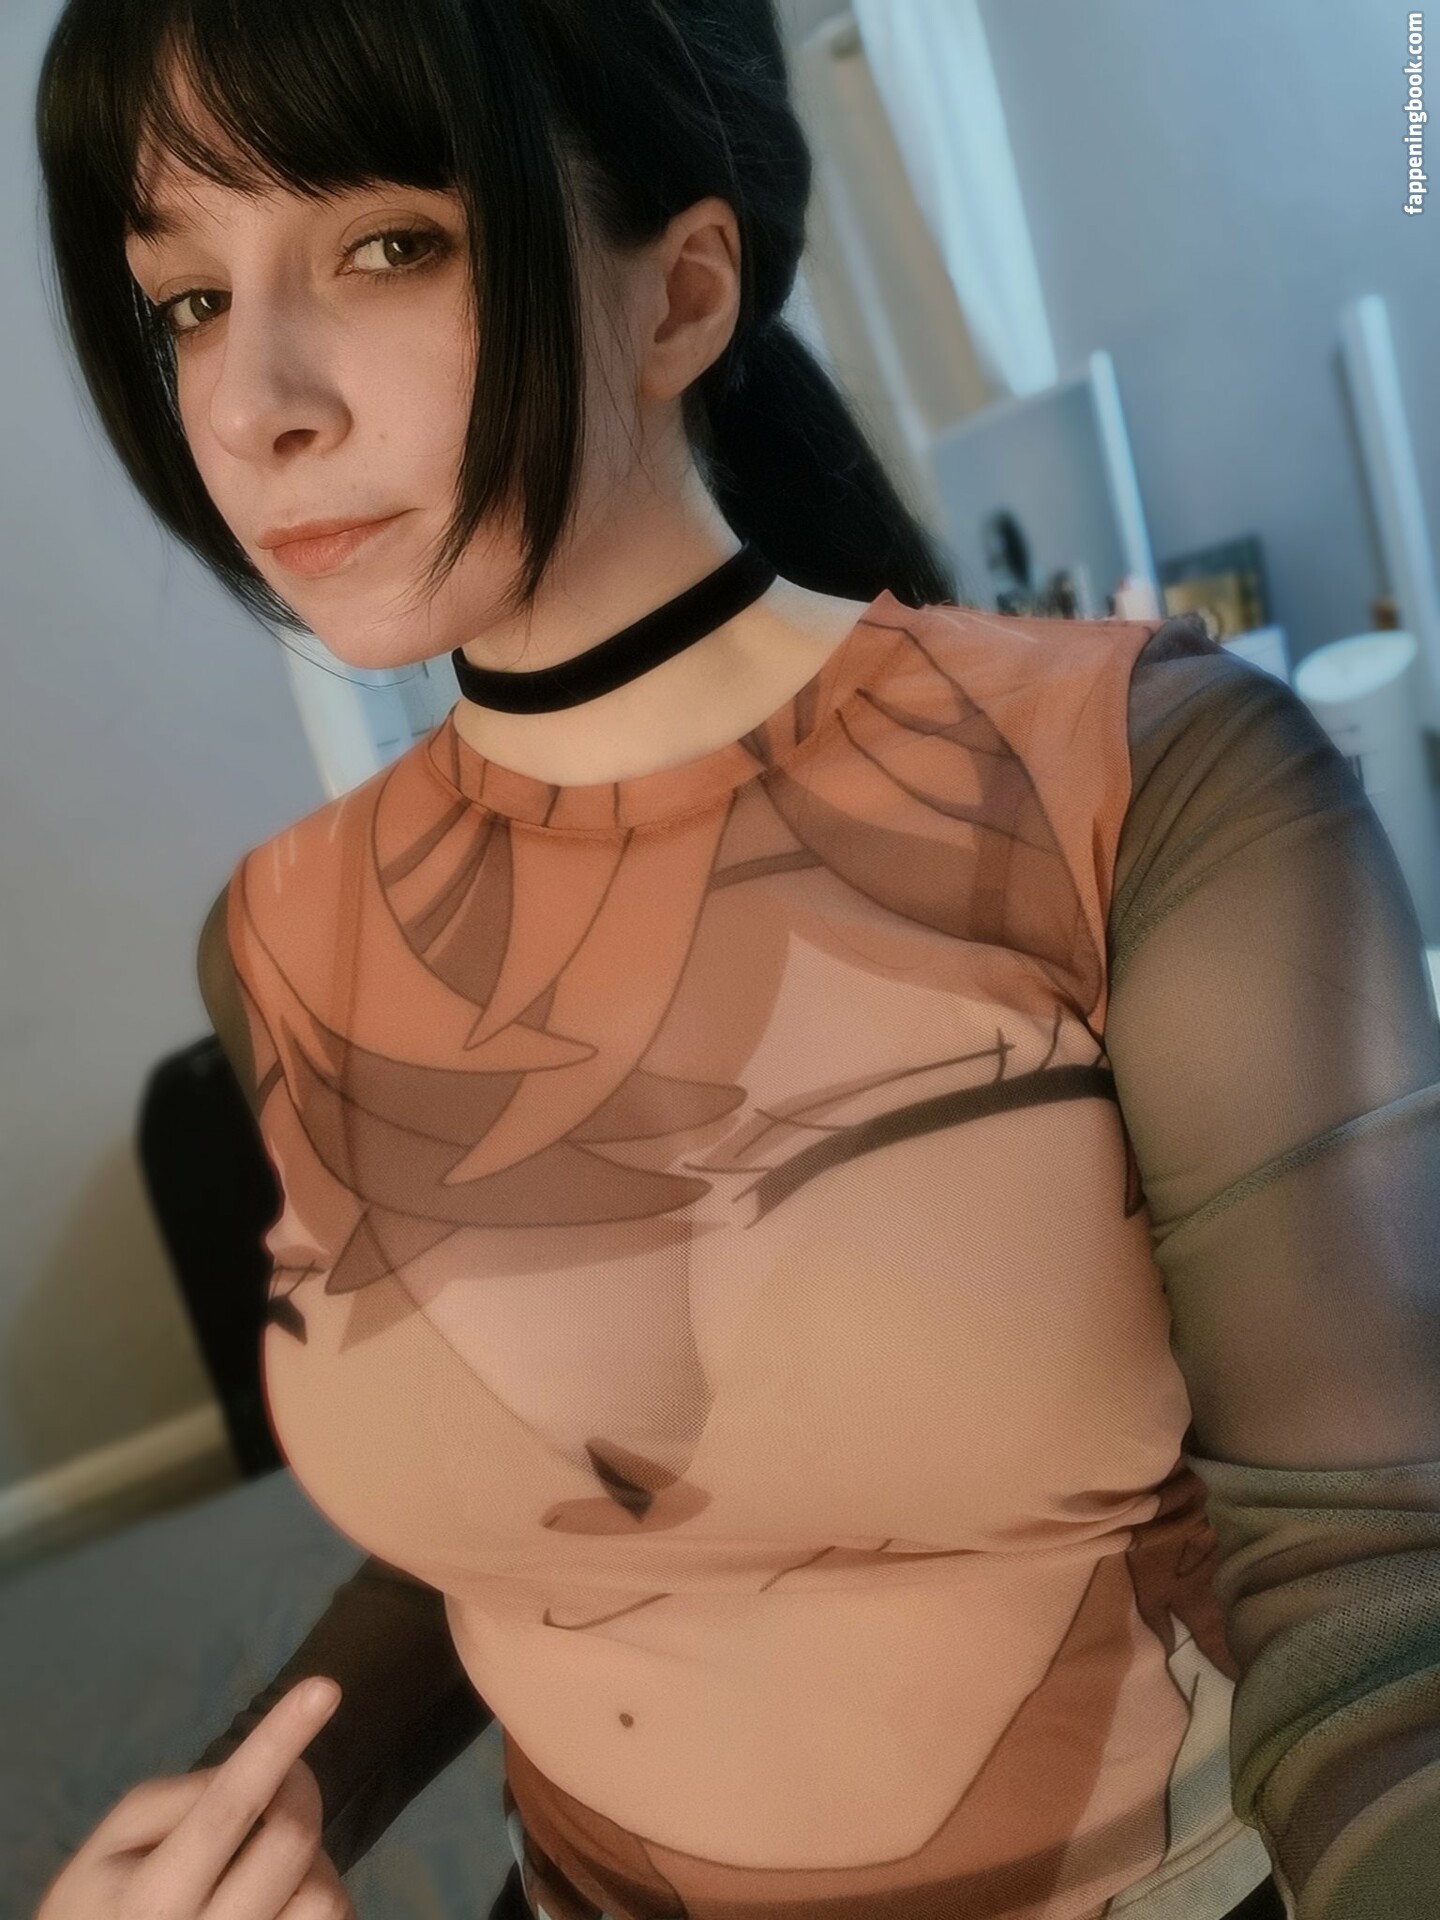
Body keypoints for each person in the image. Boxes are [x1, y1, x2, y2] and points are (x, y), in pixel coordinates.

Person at [28, 2, 1440, 1917]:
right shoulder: (278, 944)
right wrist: (276, 1798)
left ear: (683, 291)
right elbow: (515, 1497)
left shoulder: (1146, 784)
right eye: (188, 299)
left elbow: (1370, 1599)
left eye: (387, 245)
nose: (249, 403)